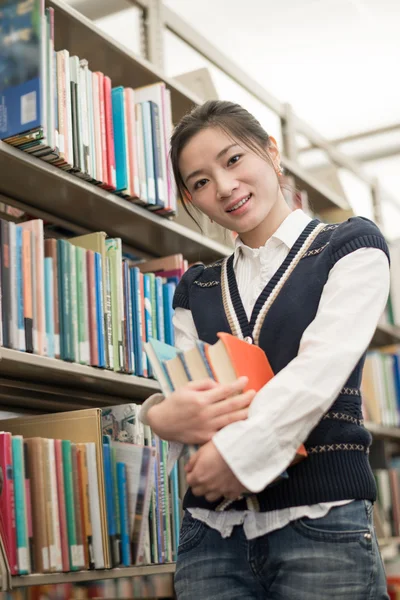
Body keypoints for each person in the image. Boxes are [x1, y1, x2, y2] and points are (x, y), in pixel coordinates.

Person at [140, 100, 390, 599]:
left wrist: (234, 454)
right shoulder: (196, 286)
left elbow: (320, 370)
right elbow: (185, 389)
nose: (225, 187)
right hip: (212, 538)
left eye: (233, 160)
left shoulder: (351, 245)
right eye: (200, 182)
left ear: (271, 152)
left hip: (321, 523)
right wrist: (159, 417)